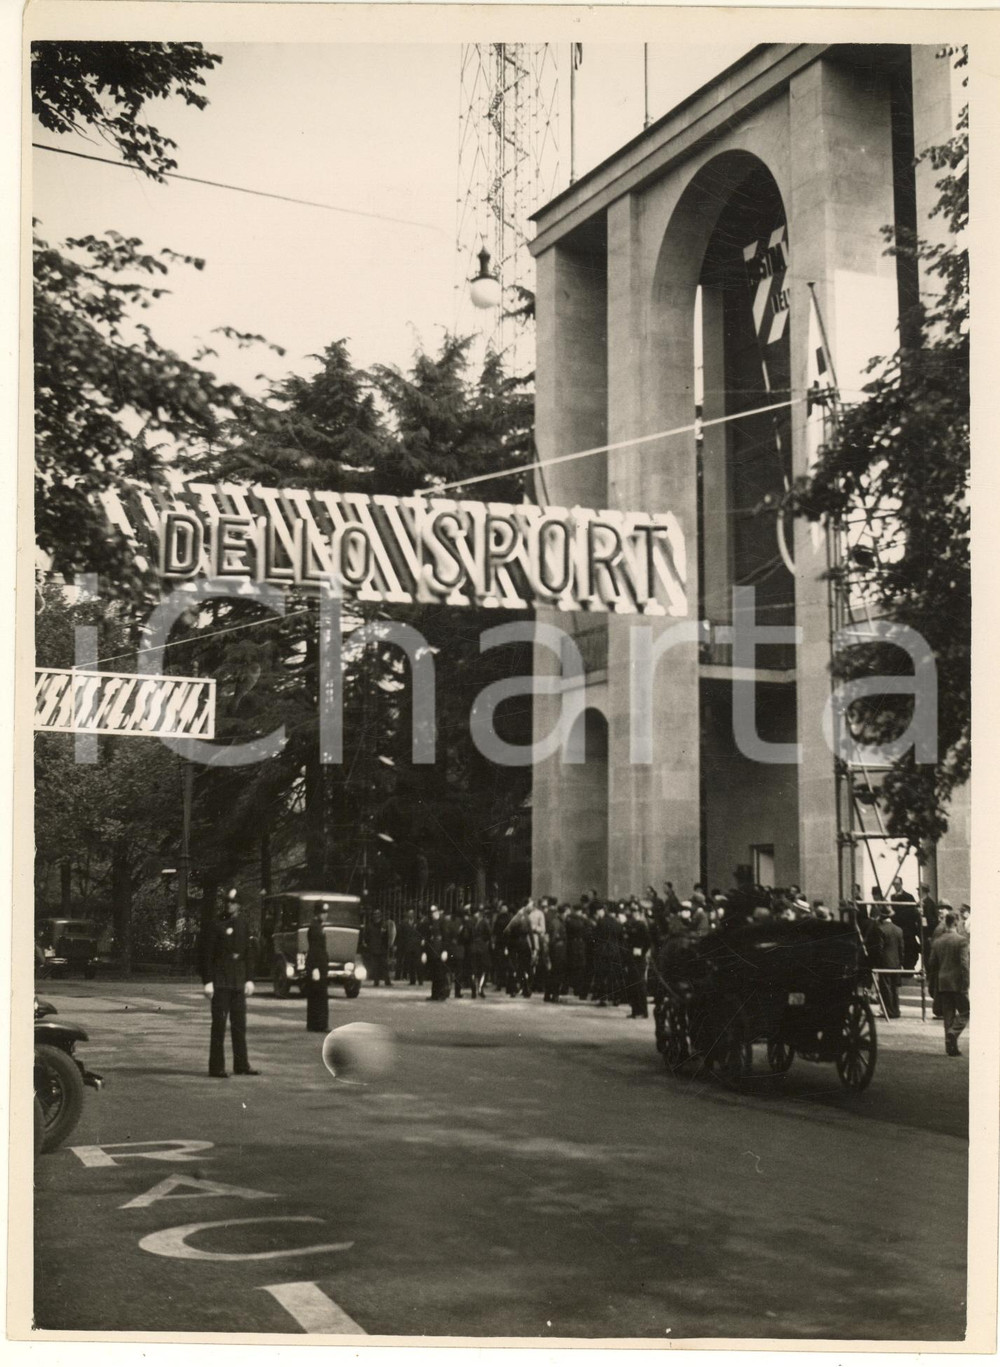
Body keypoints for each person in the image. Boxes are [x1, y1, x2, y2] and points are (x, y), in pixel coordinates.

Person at [200, 888, 260, 1078]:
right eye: (227, 901)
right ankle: (216, 1067)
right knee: (219, 1025)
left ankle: (241, 1064)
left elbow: (248, 955)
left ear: (239, 905)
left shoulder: (243, 925)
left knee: (239, 1025)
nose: (229, 905)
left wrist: (250, 978)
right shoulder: (216, 925)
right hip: (220, 981)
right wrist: (208, 981)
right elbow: (206, 956)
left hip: (237, 981)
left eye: (233, 902)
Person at [927, 912, 970, 1056]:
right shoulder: (962, 941)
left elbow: (932, 963)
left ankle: (950, 1047)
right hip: (957, 982)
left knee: (948, 1015)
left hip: (943, 982)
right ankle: (953, 1032)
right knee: (965, 1012)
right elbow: (964, 964)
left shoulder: (937, 941)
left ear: (946, 922)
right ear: (956, 922)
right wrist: (966, 981)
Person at [866, 909, 903, 1018]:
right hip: (896, 963)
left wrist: (876, 962)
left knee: (885, 988)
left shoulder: (880, 929)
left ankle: (888, 1011)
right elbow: (901, 948)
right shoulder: (898, 930)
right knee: (894, 988)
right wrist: (900, 962)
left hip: (884, 963)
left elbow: (879, 949)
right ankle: (896, 1010)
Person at [304, 907, 329, 1033]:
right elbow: (314, 949)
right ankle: (319, 1024)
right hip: (317, 965)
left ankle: (313, 1024)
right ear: (317, 914)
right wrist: (314, 967)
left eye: (326, 913)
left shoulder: (317, 926)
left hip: (318, 964)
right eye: (323, 913)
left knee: (315, 995)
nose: (325, 915)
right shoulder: (315, 928)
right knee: (319, 995)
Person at [889, 877, 921, 972]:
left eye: (898, 884)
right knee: (899, 949)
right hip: (898, 928)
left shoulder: (909, 896)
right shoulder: (892, 897)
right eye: (894, 884)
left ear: (901, 884)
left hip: (907, 929)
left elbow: (913, 913)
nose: (896, 886)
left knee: (909, 949)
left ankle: (909, 969)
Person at [421, 906, 450, 1002]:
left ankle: (442, 994)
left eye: (434, 911)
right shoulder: (429, 922)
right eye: (431, 912)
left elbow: (446, 937)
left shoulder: (443, 922)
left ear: (438, 911)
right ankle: (434, 994)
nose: (432, 913)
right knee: (434, 973)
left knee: (440, 973)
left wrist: (445, 950)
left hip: (440, 949)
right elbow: (427, 938)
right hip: (432, 950)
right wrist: (424, 952)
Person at [361, 908, 395, 987]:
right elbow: (367, 937)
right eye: (375, 914)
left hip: (381, 948)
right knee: (375, 966)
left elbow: (388, 936)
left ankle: (386, 981)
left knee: (384, 965)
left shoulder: (383, 925)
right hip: (374, 948)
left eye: (378, 914)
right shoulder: (372, 926)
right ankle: (377, 981)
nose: (377, 916)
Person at [396, 909, 423, 986]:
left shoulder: (418, 923)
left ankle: (420, 980)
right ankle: (412, 980)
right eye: (409, 914)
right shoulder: (404, 924)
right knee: (411, 964)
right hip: (408, 946)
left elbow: (421, 934)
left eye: (412, 914)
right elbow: (401, 936)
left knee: (418, 964)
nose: (411, 915)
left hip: (417, 946)